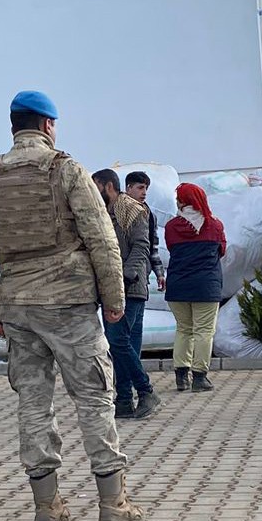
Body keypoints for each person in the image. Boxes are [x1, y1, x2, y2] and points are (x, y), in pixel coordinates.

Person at [0, 90, 144, 521]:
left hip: (19, 307)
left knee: (33, 403)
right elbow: (101, 238)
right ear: (47, 125)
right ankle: (112, 504)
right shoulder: (67, 171)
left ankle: (47, 508)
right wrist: (115, 300)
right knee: (94, 397)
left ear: (13, 126)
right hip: (70, 304)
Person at [92, 168, 158, 419]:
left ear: (108, 186)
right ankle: (123, 400)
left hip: (130, 287)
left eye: (95, 186)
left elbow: (142, 246)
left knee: (117, 341)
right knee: (123, 344)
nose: (93, 192)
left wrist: (127, 275)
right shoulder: (103, 214)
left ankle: (145, 390)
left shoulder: (132, 210)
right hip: (110, 287)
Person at [163, 182, 225, 392]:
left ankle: (181, 377)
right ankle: (200, 377)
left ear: (182, 201)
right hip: (206, 286)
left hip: (178, 286)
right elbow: (221, 250)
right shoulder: (214, 225)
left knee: (184, 329)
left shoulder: (172, 227)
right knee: (204, 331)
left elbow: (172, 248)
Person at [124, 170, 165, 293]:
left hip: (141, 276)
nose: (144, 192)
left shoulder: (149, 215)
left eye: (146, 188)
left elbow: (153, 247)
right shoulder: (118, 211)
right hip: (122, 275)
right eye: (140, 188)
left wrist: (159, 273)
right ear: (128, 188)